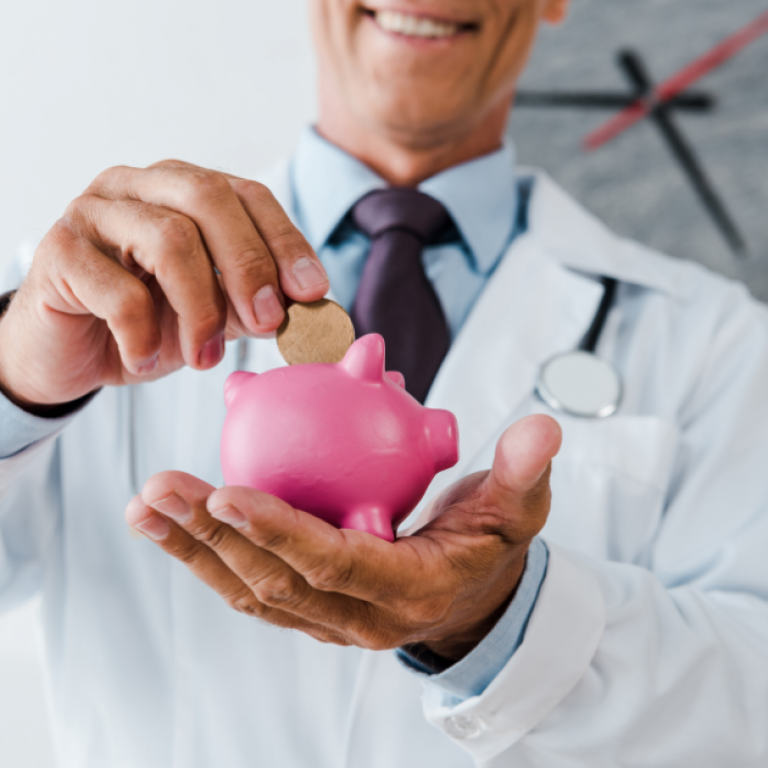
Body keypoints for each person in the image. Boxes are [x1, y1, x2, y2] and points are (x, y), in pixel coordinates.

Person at [1, 1, 767, 766]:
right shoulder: (77, 295)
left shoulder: (717, 344)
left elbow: (750, 706)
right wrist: (17, 389)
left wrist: (500, 622)